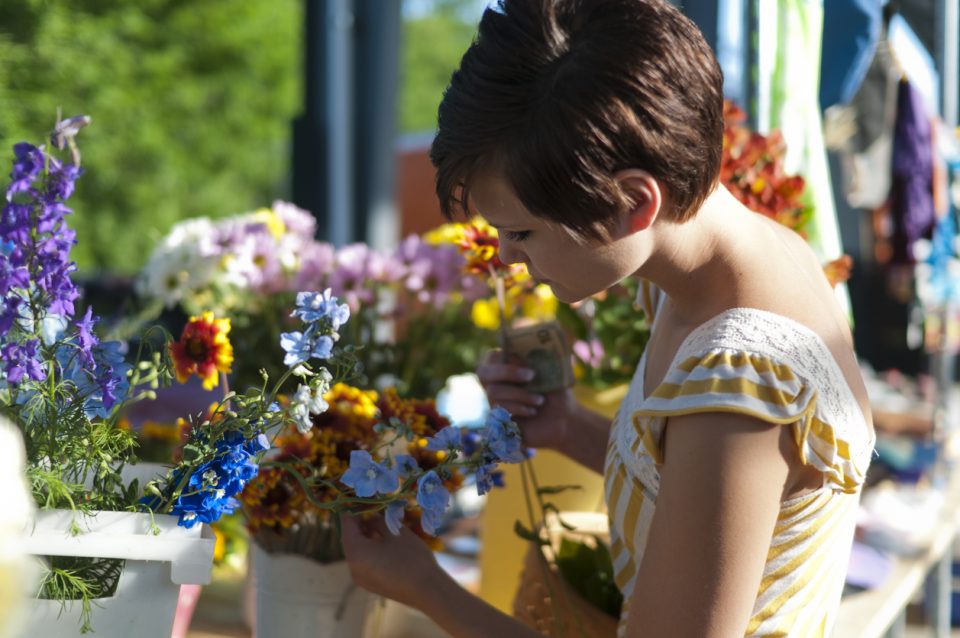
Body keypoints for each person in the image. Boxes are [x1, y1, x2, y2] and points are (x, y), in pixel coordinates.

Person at [341, 0, 875, 636]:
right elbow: (702, 491)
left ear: (633, 202)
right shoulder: (758, 258)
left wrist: (426, 588)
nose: (508, 258)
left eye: (521, 232)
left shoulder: (737, 384)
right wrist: (567, 427)